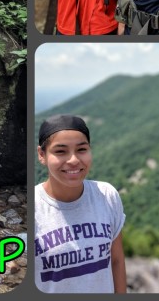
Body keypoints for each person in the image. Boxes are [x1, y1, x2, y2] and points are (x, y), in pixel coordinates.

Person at [35, 114, 126, 293]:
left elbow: (116, 260)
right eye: (60, 151)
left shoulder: (106, 196)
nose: (74, 160)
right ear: (42, 155)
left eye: (82, 149)